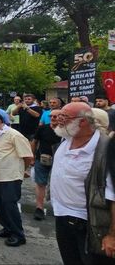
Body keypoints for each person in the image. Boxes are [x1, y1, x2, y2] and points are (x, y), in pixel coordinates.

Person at [50, 102, 112, 264]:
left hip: (92, 225)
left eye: (64, 117)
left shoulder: (106, 149)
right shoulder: (66, 138)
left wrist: (112, 235)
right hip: (62, 217)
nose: (58, 120)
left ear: (83, 121)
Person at [0, 113, 33, 247]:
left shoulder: (14, 135)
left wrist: (21, 171)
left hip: (10, 176)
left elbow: (27, 156)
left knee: (9, 204)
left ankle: (18, 234)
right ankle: (7, 228)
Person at [31, 109, 62, 221]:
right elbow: (34, 142)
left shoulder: (65, 130)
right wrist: (33, 157)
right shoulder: (43, 128)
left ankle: (59, 208)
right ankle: (39, 208)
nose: (52, 118)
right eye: (51, 116)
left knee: (57, 184)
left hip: (60, 162)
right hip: (42, 160)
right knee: (40, 183)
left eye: (55, 116)